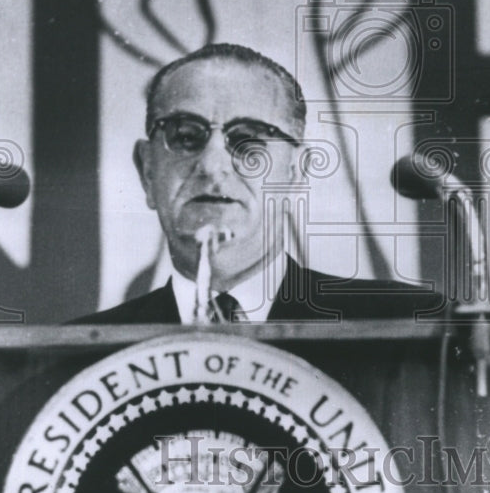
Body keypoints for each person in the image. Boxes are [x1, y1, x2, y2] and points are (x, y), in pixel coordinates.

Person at [74, 43, 440, 325]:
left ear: (295, 174)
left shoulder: (410, 324)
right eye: (185, 136)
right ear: (148, 171)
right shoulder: (77, 355)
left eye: (247, 139)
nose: (212, 165)